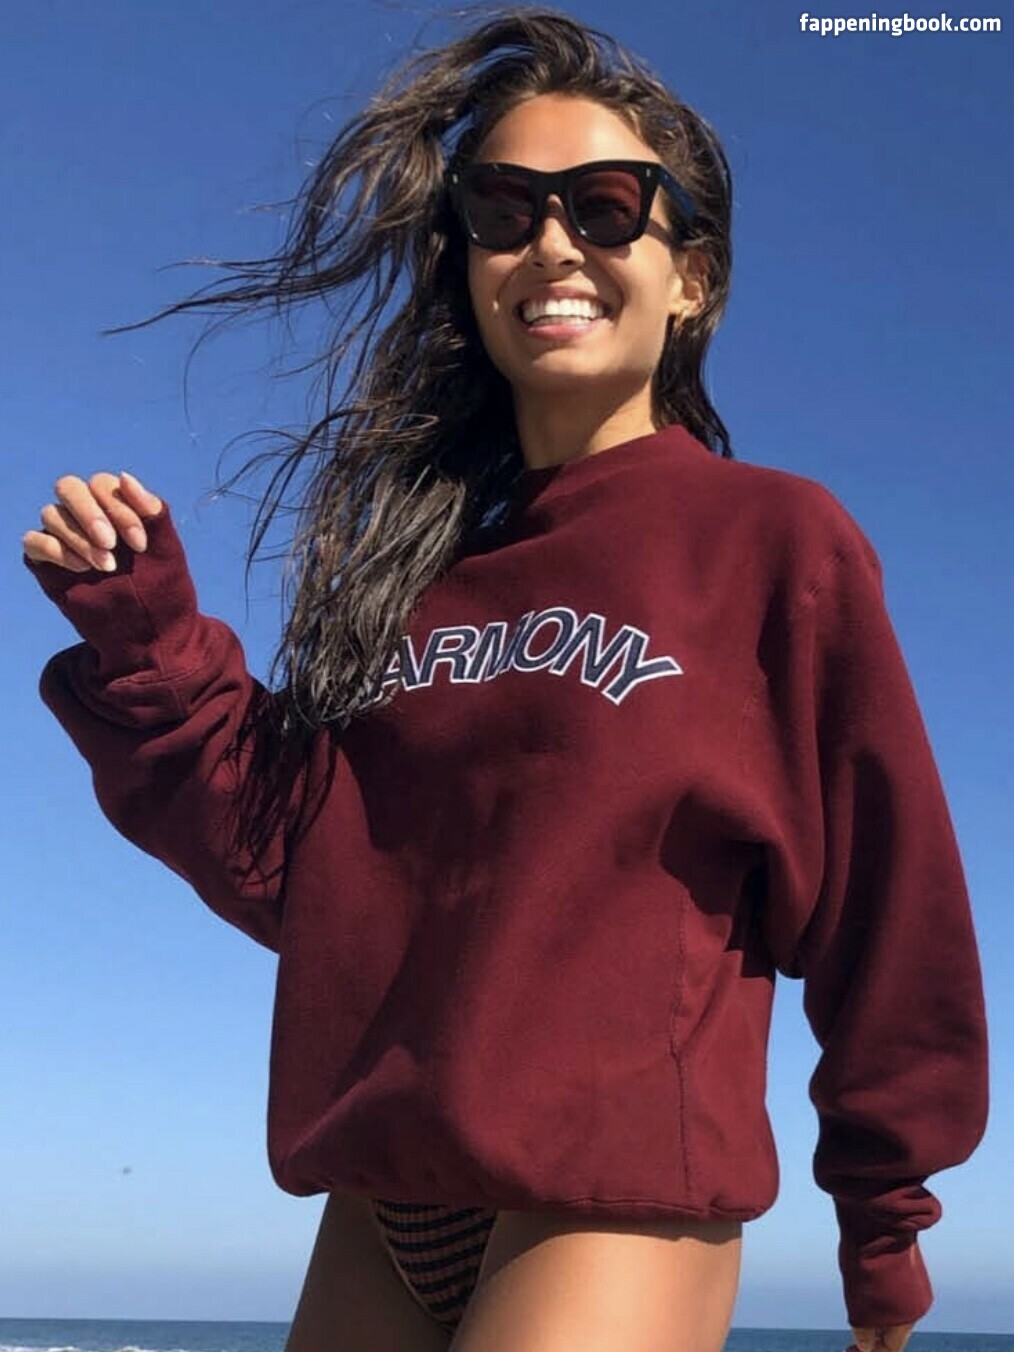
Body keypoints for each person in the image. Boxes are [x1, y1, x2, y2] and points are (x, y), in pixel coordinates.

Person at [21, 9, 988, 1352]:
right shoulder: (413, 575)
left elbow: (886, 893)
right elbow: (290, 867)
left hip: (611, 1195)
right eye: (503, 208)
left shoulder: (773, 541)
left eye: (606, 207)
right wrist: (150, 644)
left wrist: (884, 1219)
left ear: (691, 276)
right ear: (468, 264)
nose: (551, 245)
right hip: (376, 1192)